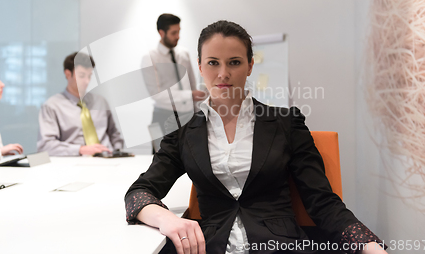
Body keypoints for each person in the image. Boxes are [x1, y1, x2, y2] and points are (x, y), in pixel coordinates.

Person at [126, 21, 388, 254]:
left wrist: (368, 245)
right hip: (212, 245)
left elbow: (322, 202)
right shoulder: (183, 130)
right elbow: (139, 192)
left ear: (250, 66)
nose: (223, 74)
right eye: (213, 62)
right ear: (200, 67)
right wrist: (167, 219)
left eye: (235, 62)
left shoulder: (286, 123)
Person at [141, 13, 207, 152]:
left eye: (179, 32)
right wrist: (190, 95)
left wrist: (198, 113)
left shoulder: (183, 53)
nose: (178, 36)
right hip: (163, 117)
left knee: (192, 157)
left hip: (188, 115)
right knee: (161, 162)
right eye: (173, 33)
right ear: (161, 33)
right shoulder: (150, 58)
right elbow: (156, 94)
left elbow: (192, 84)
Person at [37, 52, 124, 156]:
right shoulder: (52, 106)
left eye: (89, 76)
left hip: (108, 160)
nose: (87, 81)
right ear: (68, 74)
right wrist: (80, 150)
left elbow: (115, 135)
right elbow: (45, 146)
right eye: (81, 76)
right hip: (73, 163)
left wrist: (118, 152)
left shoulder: (101, 102)